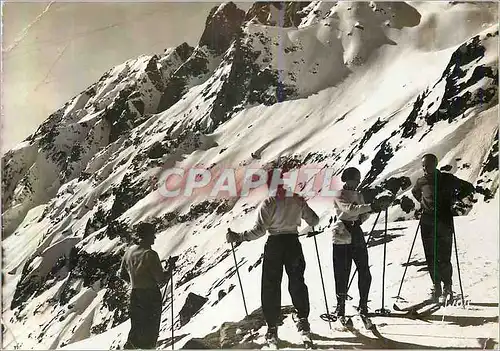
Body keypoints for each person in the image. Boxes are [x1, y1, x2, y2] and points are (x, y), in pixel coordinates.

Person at [226, 169, 319, 344]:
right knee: (297, 281)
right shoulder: (297, 199)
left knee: (271, 285)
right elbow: (314, 220)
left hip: (275, 244)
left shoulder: (268, 203)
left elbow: (259, 231)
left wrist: (238, 236)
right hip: (293, 243)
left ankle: (272, 328)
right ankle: (303, 320)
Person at [412, 154, 474, 302]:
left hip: (443, 219)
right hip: (427, 220)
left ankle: (447, 287)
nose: (425, 168)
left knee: (444, 255)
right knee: (430, 255)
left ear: (435, 164)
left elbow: (468, 187)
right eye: (423, 166)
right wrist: (423, 202)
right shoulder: (421, 181)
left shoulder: (447, 178)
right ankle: (436, 286)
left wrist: (454, 198)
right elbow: (415, 192)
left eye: (427, 165)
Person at [331, 167, 391, 318]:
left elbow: (361, 214)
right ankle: (341, 306)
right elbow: (350, 209)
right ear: (348, 179)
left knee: (364, 270)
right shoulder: (339, 194)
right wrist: (372, 207)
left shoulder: (358, 194)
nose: (357, 182)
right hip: (342, 233)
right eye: (356, 179)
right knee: (342, 273)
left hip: (354, 232)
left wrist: (371, 211)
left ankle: (363, 304)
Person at [120, 222, 175, 349]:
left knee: (137, 328)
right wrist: (169, 269)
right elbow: (160, 279)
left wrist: (135, 279)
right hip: (150, 295)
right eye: (152, 234)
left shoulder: (128, 253)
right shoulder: (150, 254)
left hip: (135, 295)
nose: (154, 237)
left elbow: (122, 275)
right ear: (148, 235)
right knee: (150, 329)